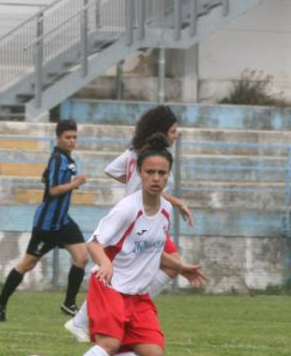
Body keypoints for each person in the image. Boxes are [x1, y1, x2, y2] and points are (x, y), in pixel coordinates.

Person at [51, 134, 206, 356]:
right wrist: (104, 264)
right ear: (139, 174)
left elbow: (153, 248)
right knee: (110, 344)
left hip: (137, 296)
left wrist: (180, 267)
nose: (156, 178)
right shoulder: (126, 209)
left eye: (162, 173)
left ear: (168, 176)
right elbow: (94, 243)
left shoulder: (166, 210)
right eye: (150, 172)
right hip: (110, 287)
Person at [64, 104, 194, 342]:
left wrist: (166, 198)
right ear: (163, 130)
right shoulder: (151, 160)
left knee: (161, 267)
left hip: (148, 217)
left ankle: (84, 320)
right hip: (139, 219)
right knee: (168, 265)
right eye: (174, 130)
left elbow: (110, 170)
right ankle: (117, 312)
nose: (176, 135)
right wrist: (145, 191)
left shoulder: (135, 154)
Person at [0, 119, 88, 321]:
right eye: (68, 137)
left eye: (74, 137)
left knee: (82, 257)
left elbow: (45, 178)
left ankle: (69, 303)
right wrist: (74, 184)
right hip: (47, 225)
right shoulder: (56, 159)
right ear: (58, 138)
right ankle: (0, 300)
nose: (72, 141)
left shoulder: (68, 159)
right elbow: (52, 190)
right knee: (27, 264)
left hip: (63, 221)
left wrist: (68, 184)